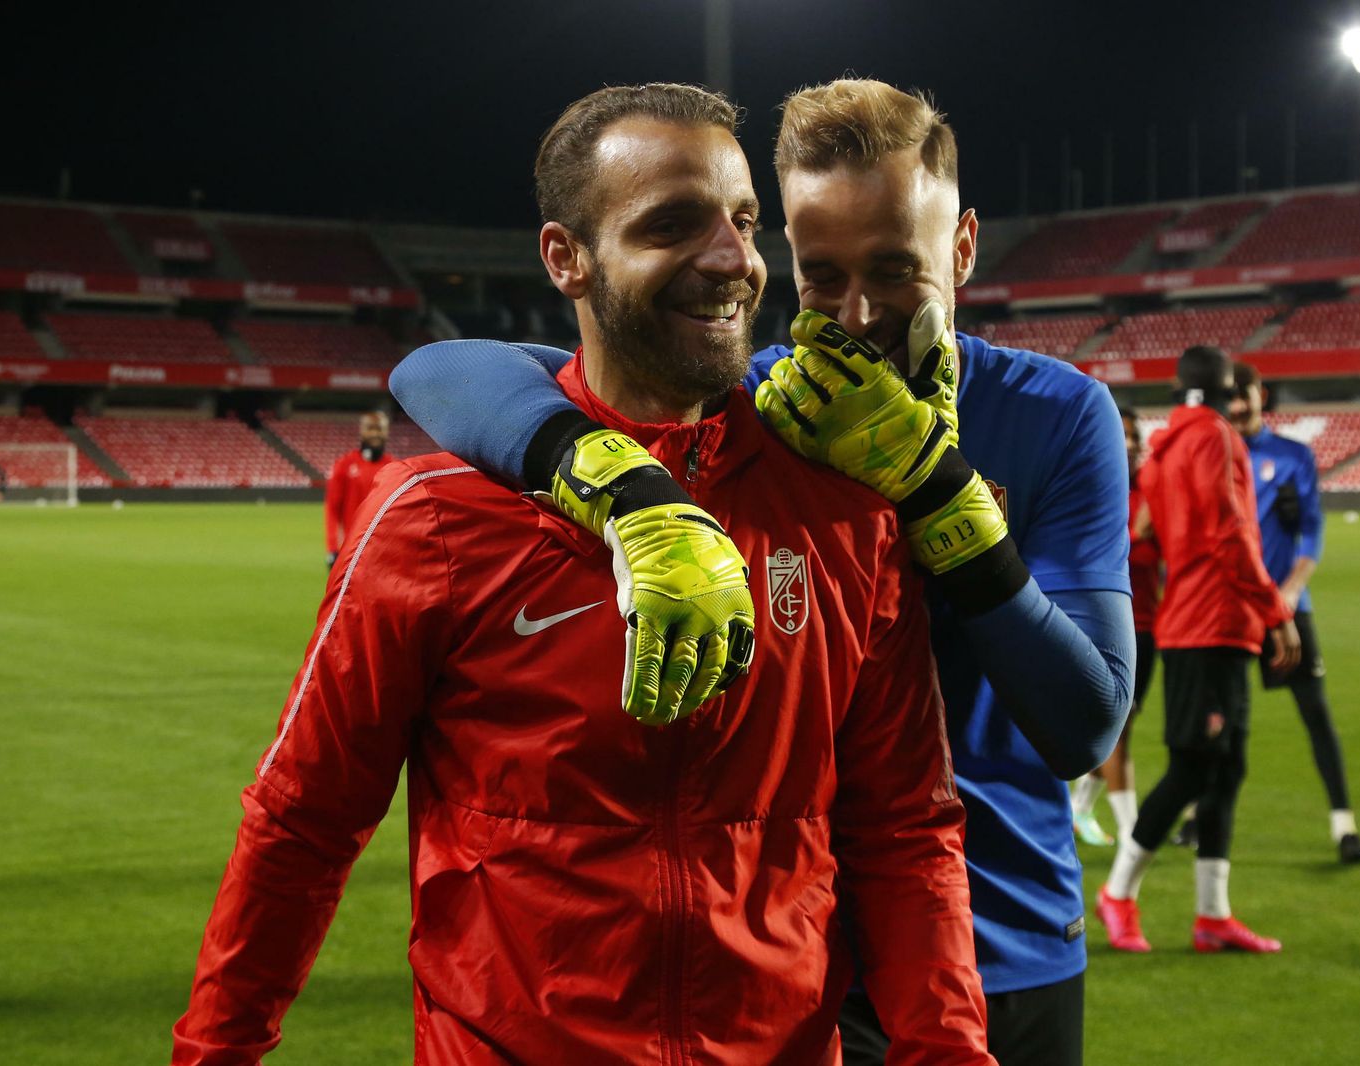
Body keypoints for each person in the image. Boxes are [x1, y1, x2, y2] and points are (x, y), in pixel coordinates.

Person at [173, 84, 992, 1064]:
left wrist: (950, 1052)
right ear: (566, 258)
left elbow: (905, 831)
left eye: (742, 221)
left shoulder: (842, 513)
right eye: (672, 225)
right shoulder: (433, 520)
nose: (733, 259)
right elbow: (300, 826)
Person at [390, 79, 1134, 1066]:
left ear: (961, 249)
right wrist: (620, 482)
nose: (859, 313)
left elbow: (1083, 724)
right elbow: (439, 373)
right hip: (803, 953)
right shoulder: (755, 403)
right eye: (823, 275)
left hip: (1007, 936)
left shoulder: (1055, 414)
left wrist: (937, 493)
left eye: (894, 269)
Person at [1095, 345, 1300, 956]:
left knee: (1225, 766)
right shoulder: (1213, 437)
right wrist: (1276, 612)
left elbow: (1153, 529)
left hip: (1202, 623)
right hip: (1212, 623)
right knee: (1194, 765)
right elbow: (1228, 529)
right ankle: (1118, 893)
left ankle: (1213, 914)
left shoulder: (1166, 445)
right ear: (1232, 388)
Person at [1230, 362, 1360, 864]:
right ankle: (1195, 820)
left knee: (1317, 716)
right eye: (1229, 396)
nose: (1237, 404)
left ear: (1260, 395)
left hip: (1288, 607)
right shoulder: (1216, 454)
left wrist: (1290, 592)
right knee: (1224, 724)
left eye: (1244, 394)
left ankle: (1345, 827)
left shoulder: (1293, 456)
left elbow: (1312, 531)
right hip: (1231, 611)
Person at [1070, 405, 1157, 847]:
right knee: (1117, 726)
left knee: (1126, 724)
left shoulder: (1150, 491)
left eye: (1134, 436)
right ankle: (1131, 833)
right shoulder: (1095, 487)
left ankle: (1079, 806)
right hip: (1105, 624)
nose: (1128, 443)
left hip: (1149, 624)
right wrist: (1139, 535)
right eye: (1121, 434)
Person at [323, 411, 393, 568]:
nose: (375, 433)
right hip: (351, 552)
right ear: (362, 431)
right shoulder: (344, 465)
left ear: (386, 432)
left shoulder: (394, 467)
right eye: (370, 428)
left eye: (379, 428)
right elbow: (332, 509)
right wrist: (332, 548)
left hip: (384, 553)